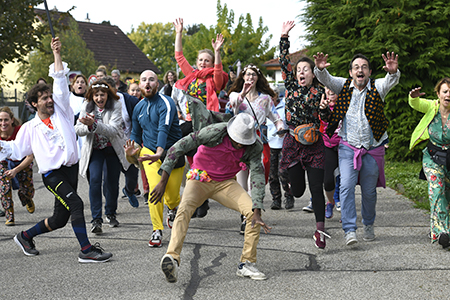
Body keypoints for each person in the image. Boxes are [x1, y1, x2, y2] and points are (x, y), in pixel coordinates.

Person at [0, 37, 112, 262]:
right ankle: (86, 250)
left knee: (60, 218)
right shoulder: (30, 127)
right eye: (44, 98)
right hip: (53, 175)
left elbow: (60, 80)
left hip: (71, 170)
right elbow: (15, 149)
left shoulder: (62, 110)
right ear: (34, 104)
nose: (50, 100)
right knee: (76, 204)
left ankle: (24, 236)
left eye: (50, 96)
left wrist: (57, 54)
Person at [148, 111, 270, 283]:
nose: (238, 144)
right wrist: (163, 181)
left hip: (226, 182)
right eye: (236, 140)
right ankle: (172, 258)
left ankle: (247, 263)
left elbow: (257, 175)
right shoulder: (215, 132)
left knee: (252, 213)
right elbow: (179, 147)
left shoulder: (254, 146)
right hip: (200, 178)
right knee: (183, 210)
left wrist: (257, 208)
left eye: (243, 141)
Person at [314, 48, 400, 245]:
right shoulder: (343, 86)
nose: (360, 70)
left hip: (373, 148)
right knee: (345, 186)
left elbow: (390, 80)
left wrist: (393, 72)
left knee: (369, 192)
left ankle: (368, 224)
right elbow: (325, 79)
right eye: (356, 67)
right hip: (347, 147)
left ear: (369, 72)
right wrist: (319, 69)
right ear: (351, 72)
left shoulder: (378, 87)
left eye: (364, 67)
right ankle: (349, 230)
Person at [279, 21, 331, 249]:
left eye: (305, 69)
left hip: (314, 143)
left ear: (312, 74)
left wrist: (322, 110)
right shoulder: (290, 85)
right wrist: (284, 37)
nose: (301, 72)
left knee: (316, 188)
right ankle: (288, 184)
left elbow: (328, 119)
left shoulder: (320, 91)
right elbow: (283, 60)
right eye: (298, 69)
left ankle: (320, 231)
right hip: (292, 142)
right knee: (298, 190)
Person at [173, 18, 229, 218]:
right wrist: (179, 33)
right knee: (183, 152)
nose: (203, 63)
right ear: (196, 63)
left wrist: (216, 52)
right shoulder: (192, 76)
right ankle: (193, 196)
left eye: (207, 60)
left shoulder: (214, 79)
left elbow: (219, 73)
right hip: (191, 121)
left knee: (202, 162)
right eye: (201, 60)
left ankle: (203, 200)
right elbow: (179, 57)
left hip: (208, 123)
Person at [126, 69, 185, 248]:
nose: (147, 83)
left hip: (172, 153)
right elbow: (135, 133)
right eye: (144, 80)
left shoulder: (166, 103)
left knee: (172, 196)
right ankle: (157, 229)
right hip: (149, 154)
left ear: (157, 84)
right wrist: (132, 150)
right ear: (140, 84)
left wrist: (161, 151)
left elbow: (163, 128)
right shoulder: (138, 107)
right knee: (154, 190)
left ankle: (173, 209)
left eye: (151, 80)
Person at [227, 64, 284, 232]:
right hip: (239, 142)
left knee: (255, 182)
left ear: (258, 78)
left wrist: (280, 128)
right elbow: (234, 106)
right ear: (243, 77)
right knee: (242, 184)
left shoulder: (265, 98)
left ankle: (250, 216)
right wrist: (243, 93)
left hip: (257, 142)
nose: (250, 77)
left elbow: (276, 117)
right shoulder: (235, 94)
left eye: (253, 75)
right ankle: (245, 215)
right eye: (247, 74)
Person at [75, 78, 131, 234]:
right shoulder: (86, 106)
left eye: (102, 95)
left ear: (108, 95)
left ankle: (111, 212)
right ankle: (96, 219)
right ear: (92, 96)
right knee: (94, 179)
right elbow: (78, 130)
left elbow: (113, 130)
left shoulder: (116, 105)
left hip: (111, 149)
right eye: (96, 95)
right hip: (95, 150)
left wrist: (93, 125)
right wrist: (87, 126)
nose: (99, 98)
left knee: (111, 182)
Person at [409, 79, 450, 248]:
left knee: (447, 195)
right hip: (432, 157)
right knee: (437, 189)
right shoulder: (431, 107)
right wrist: (413, 96)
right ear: (438, 94)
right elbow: (416, 103)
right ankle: (442, 233)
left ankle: (441, 228)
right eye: (445, 91)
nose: (448, 95)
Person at [0, 107, 35, 226]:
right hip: (4, 162)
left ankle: (26, 198)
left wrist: (15, 170)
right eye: (0, 120)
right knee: (4, 187)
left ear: (12, 120)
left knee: (27, 189)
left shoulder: (20, 131)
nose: (3, 123)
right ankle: (9, 216)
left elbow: (30, 156)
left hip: (22, 161)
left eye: (6, 120)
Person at [266, 86, 294, 210]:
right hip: (271, 144)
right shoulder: (264, 107)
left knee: (283, 172)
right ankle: (276, 199)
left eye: (272, 95)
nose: (270, 98)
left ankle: (289, 195)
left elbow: (291, 122)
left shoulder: (285, 106)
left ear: (276, 95)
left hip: (285, 143)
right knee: (272, 175)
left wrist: (285, 130)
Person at [321, 87, 341, 218]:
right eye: (328, 88)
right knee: (328, 181)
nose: (331, 90)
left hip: (344, 145)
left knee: (345, 180)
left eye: (334, 87)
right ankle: (330, 202)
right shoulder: (321, 105)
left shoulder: (346, 103)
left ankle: (345, 209)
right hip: (327, 145)